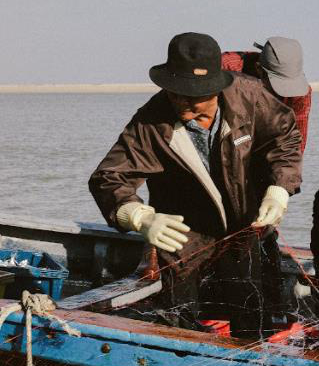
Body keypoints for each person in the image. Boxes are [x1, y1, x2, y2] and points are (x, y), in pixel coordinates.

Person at [89, 33, 302, 337]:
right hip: (182, 229)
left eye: (197, 96)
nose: (185, 103)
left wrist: (280, 188)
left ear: (218, 88)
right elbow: (108, 177)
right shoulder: (151, 122)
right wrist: (139, 217)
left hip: (243, 220)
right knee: (177, 316)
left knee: (252, 309)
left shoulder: (249, 97)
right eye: (178, 93)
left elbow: (285, 135)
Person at [222, 37, 312, 154]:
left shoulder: (300, 93)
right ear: (259, 69)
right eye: (279, 85)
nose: (285, 93)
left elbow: (296, 145)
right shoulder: (227, 68)